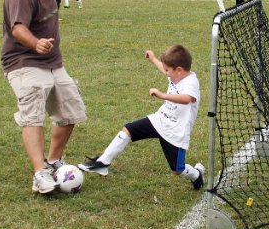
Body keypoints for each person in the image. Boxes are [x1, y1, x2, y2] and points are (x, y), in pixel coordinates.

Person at [1, 0, 87, 194]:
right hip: (23, 61)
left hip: (52, 61)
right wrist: (35, 43)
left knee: (71, 109)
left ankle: (52, 161)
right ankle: (40, 174)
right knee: (33, 111)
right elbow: (18, 29)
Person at [77, 45, 204, 190]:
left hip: (175, 132)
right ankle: (102, 163)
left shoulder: (191, 82)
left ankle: (196, 174)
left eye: (168, 70)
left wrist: (162, 95)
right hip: (160, 120)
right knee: (129, 129)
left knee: (177, 169)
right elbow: (164, 69)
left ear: (179, 70)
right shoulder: (176, 74)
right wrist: (153, 59)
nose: (166, 73)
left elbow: (187, 98)